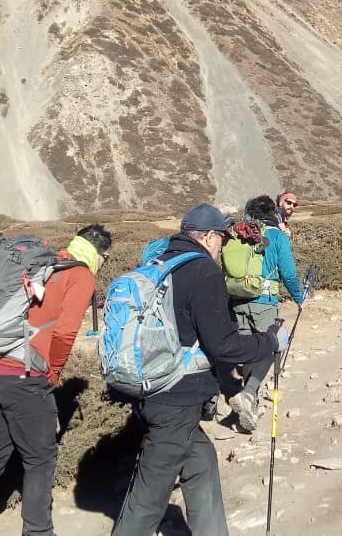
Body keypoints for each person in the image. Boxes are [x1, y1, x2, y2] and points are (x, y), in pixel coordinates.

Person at [112, 204, 285, 536]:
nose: (222, 244)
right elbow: (224, 345)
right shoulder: (203, 271)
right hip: (176, 399)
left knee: (202, 467)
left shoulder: (160, 263)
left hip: (154, 386)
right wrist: (268, 343)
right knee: (147, 500)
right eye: (221, 236)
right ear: (208, 237)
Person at [0, 225, 113, 536]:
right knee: (40, 458)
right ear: (100, 253)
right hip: (25, 377)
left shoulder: (43, 263)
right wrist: (54, 372)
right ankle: (39, 532)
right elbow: (67, 331)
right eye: (106, 259)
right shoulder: (81, 274)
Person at [226, 195, 306, 432]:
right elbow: (289, 274)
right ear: (273, 212)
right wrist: (300, 299)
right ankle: (249, 394)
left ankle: (248, 404)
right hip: (265, 301)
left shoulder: (240, 233)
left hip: (238, 299)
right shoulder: (278, 236)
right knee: (271, 346)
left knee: (250, 350)